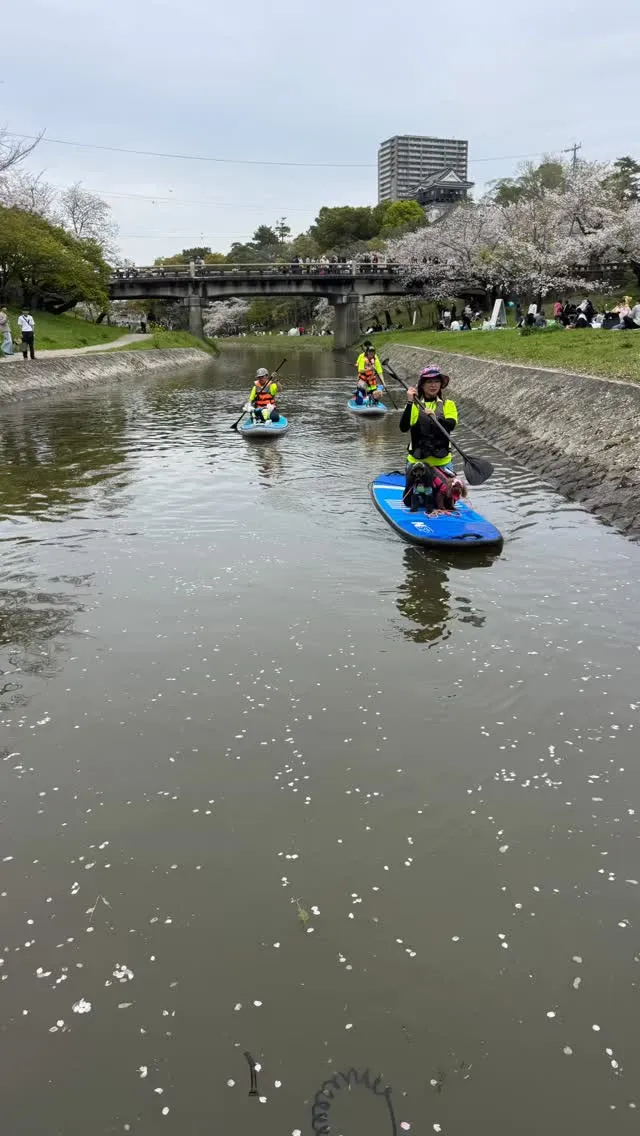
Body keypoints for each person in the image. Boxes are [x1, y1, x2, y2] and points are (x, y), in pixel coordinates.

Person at [399, 367, 458, 507]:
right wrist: (409, 402)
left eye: (436, 381)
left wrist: (435, 417)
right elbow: (403, 427)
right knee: (415, 500)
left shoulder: (448, 405)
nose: (433, 385)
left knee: (445, 501)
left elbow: (450, 425)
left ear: (441, 384)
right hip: (417, 464)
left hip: (442, 463)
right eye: (429, 382)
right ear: (422, 386)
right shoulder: (414, 405)